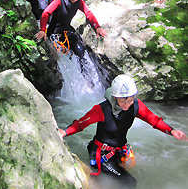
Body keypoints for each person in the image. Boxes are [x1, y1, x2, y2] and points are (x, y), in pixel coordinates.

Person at [58, 74, 188, 188]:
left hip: (120, 148)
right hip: (102, 152)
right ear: (115, 97)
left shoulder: (136, 105)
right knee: (130, 182)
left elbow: (154, 120)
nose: (127, 105)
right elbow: (81, 124)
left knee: (134, 167)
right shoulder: (101, 109)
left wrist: (172, 131)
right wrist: (64, 132)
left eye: (130, 100)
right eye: (122, 101)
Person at [36, 0, 106, 57]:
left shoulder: (79, 1)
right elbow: (46, 13)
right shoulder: (59, 0)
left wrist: (97, 27)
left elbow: (88, 13)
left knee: (81, 51)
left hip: (66, 32)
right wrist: (42, 30)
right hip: (54, 34)